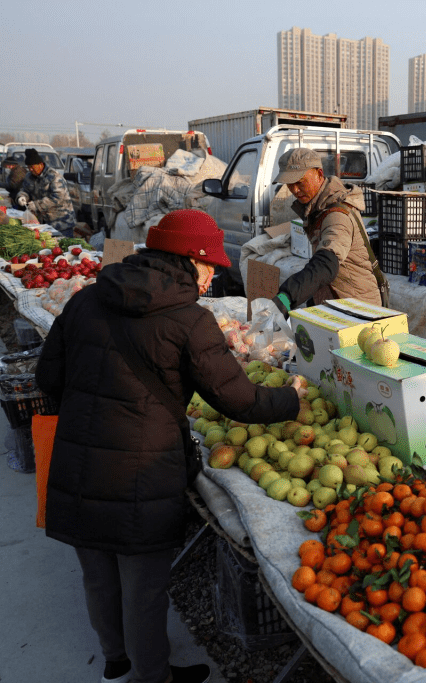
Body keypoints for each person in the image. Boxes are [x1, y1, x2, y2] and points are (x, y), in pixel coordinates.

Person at [35, 209, 305, 683]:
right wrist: (291, 400)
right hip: (144, 470)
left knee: (97, 572)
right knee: (143, 586)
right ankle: (151, 676)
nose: (210, 280)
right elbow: (239, 400)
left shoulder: (87, 299)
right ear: (186, 260)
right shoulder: (188, 320)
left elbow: (48, 377)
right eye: (208, 269)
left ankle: (115, 660)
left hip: (77, 461)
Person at [270, 147, 380, 317]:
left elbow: (326, 263)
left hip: (359, 311)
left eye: (300, 182)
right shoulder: (319, 208)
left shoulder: (337, 215)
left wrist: (288, 295)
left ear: (319, 174)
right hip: (339, 305)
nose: (295, 190)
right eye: (289, 184)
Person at [15, 148, 76, 237]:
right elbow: (25, 190)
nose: (30, 169)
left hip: (61, 222)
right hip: (42, 223)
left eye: (32, 167)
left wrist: (36, 205)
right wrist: (22, 196)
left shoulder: (54, 176)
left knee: (64, 247)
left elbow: (57, 198)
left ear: (40, 164)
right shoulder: (29, 176)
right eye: (28, 167)